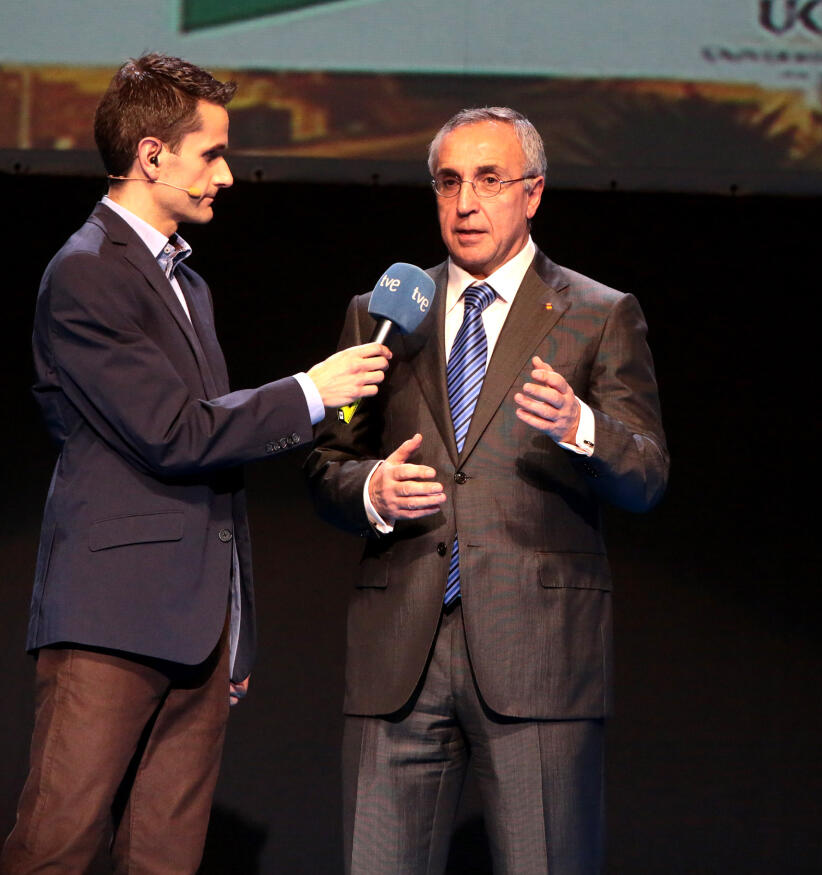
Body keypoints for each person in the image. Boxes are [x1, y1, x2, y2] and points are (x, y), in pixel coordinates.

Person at [0, 53, 390, 874]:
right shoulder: (87, 273)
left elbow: (215, 464)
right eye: (210, 153)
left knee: (167, 858)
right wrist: (310, 392)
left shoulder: (185, 281)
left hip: (195, 628)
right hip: (111, 621)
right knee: (56, 848)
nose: (227, 175)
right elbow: (175, 434)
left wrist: (233, 632)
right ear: (152, 155)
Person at [305, 107, 669, 874]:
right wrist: (371, 488)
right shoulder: (380, 315)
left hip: (538, 657)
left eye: (489, 180)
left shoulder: (598, 315)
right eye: (448, 182)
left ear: (532, 193)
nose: (465, 202)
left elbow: (647, 473)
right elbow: (328, 461)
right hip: (398, 650)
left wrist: (582, 427)